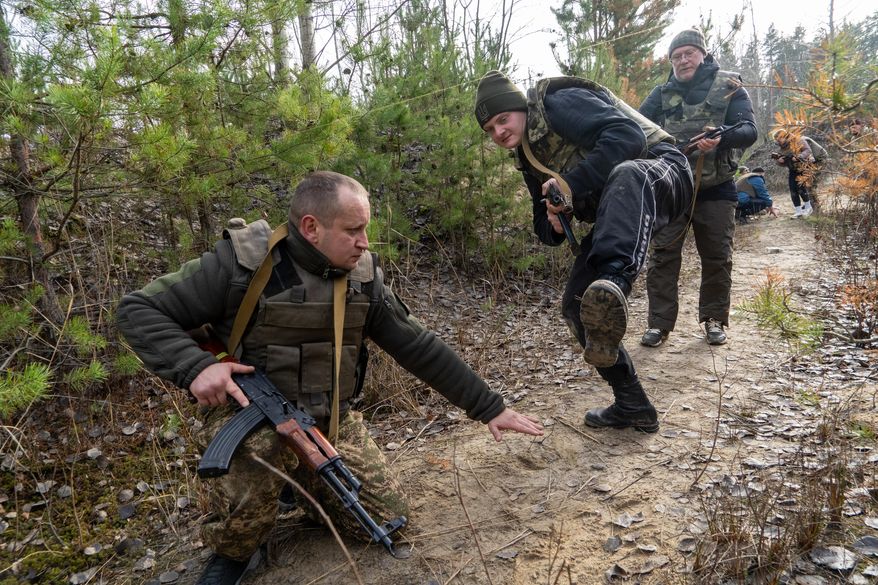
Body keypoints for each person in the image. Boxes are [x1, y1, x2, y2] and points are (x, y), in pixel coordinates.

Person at [116, 171, 544, 585]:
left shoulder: (362, 276)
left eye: (366, 230)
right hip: (247, 415)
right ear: (311, 227)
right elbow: (138, 310)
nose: (364, 243)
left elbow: (417, 346)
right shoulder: (243, 262)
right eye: (353, 230)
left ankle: (298, 486)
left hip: (327, 421)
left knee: (386, 520)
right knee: (256, 467)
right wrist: (199, 366)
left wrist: (489, 406)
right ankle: (234, 551)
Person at [474, 70, 693, 434]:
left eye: (502, 119)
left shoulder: (557, 104)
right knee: (577, 304)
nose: (498, 132)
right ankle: (632, 403)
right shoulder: (529, 158)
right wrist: (554, 221)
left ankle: (614, 283)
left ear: (520, 108)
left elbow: (628, 136)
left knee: (627, 173)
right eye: (490, 130)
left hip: (663, 170)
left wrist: (569, 184)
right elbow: (544, 228)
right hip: (620, 204)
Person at [637, 28, 758, 348]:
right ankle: (659, 324)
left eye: (688, 53)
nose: (682, 60)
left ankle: (714, 318)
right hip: (673, 188)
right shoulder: (660, 94)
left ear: (703, 54)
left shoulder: (729, 85)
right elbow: (634, 128)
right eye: (676, 56)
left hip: (716, 187)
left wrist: (721, 138)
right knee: (662, 256)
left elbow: (749, 129)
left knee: (717, 256)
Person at [771, 129, 819, 218]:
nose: (778, 141)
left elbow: (807, 150)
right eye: (777, 139)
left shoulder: (798, 140)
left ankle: (809, 207)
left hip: (804, 166)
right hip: (793, 170)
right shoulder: (782, 149)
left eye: (779, 138)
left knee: (801, 188)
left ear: (784, 136)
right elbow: (782, 163)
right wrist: (780, 161)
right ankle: (798, 211)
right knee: (793, 189)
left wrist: (798, 157)